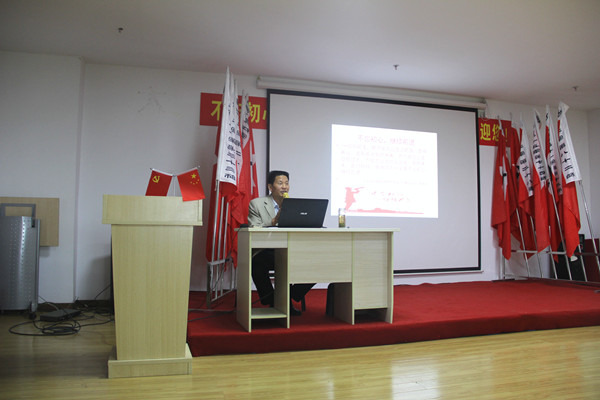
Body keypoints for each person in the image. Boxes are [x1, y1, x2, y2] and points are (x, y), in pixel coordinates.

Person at [247, 170, 314, 315]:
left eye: (287, 183)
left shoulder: (296, 205)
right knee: (256, 263)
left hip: (291, 249)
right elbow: (254, 228)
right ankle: (272, 300)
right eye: (280, 183)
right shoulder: (256, 204)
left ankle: (289, 295)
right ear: (270, 187)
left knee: (315, 261)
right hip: (266, 250)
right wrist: (274, 221)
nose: (284, 187)